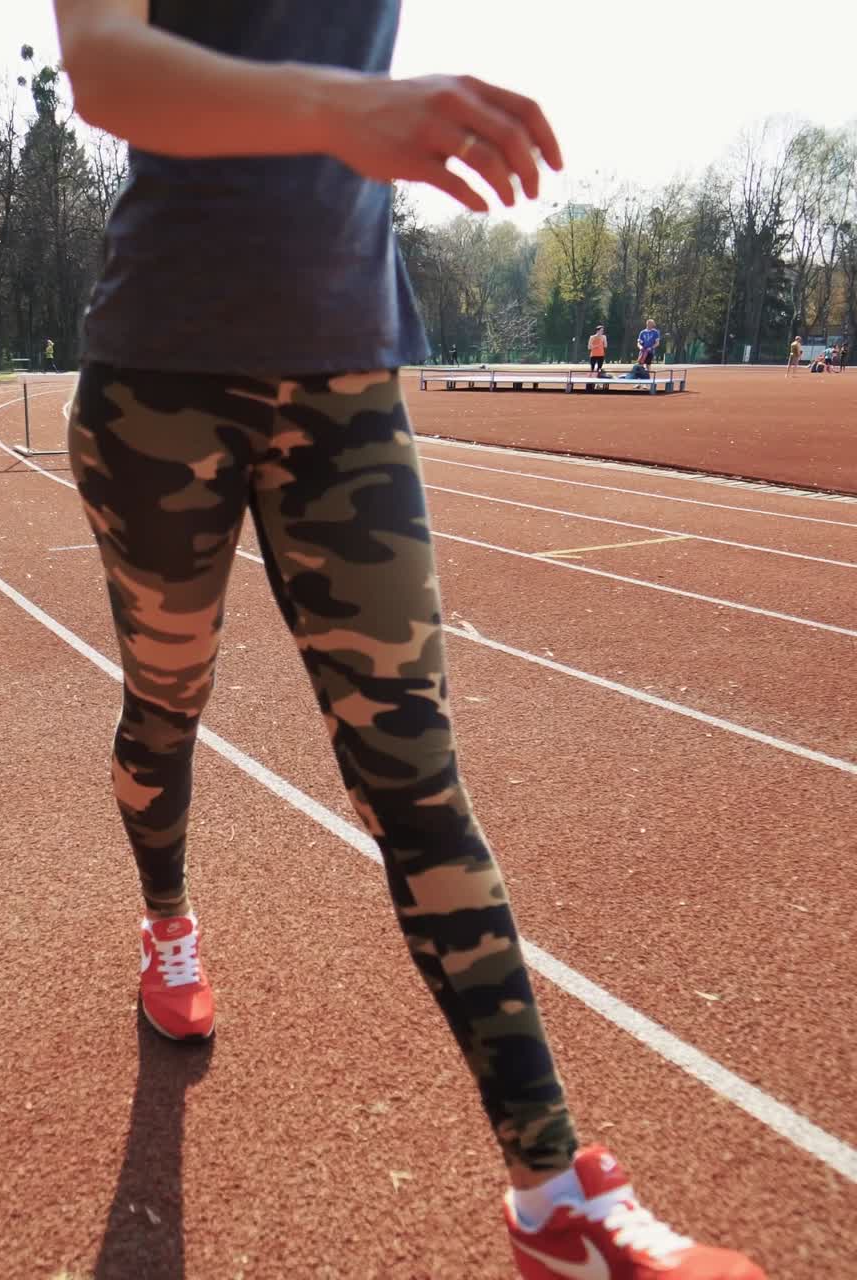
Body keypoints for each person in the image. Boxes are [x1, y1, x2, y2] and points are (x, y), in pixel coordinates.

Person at [55, 4, 764, 1277]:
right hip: (160, 375)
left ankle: (552, 1194)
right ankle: (167, 918)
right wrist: (340, 108)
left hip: (344, 378)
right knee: (167, 703)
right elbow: (103, 68)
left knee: (414, 776)